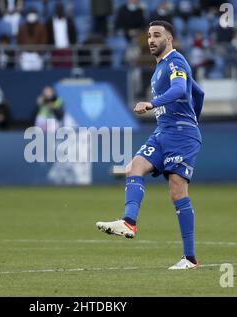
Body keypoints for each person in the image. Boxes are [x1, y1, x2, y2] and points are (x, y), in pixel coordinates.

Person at [96, 21, 205, 270]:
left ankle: (189, 258)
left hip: (181, 135)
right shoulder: (159, 68)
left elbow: (180, 89)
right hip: (162, 132)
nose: (151, 40)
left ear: (170, 39)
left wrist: (154, 104)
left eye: (157, 35)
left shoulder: (176, 61)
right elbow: (198, 93)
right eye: (149, 36)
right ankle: (129, 222)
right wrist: (193, 115)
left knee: (177, 191)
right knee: (135, 166)